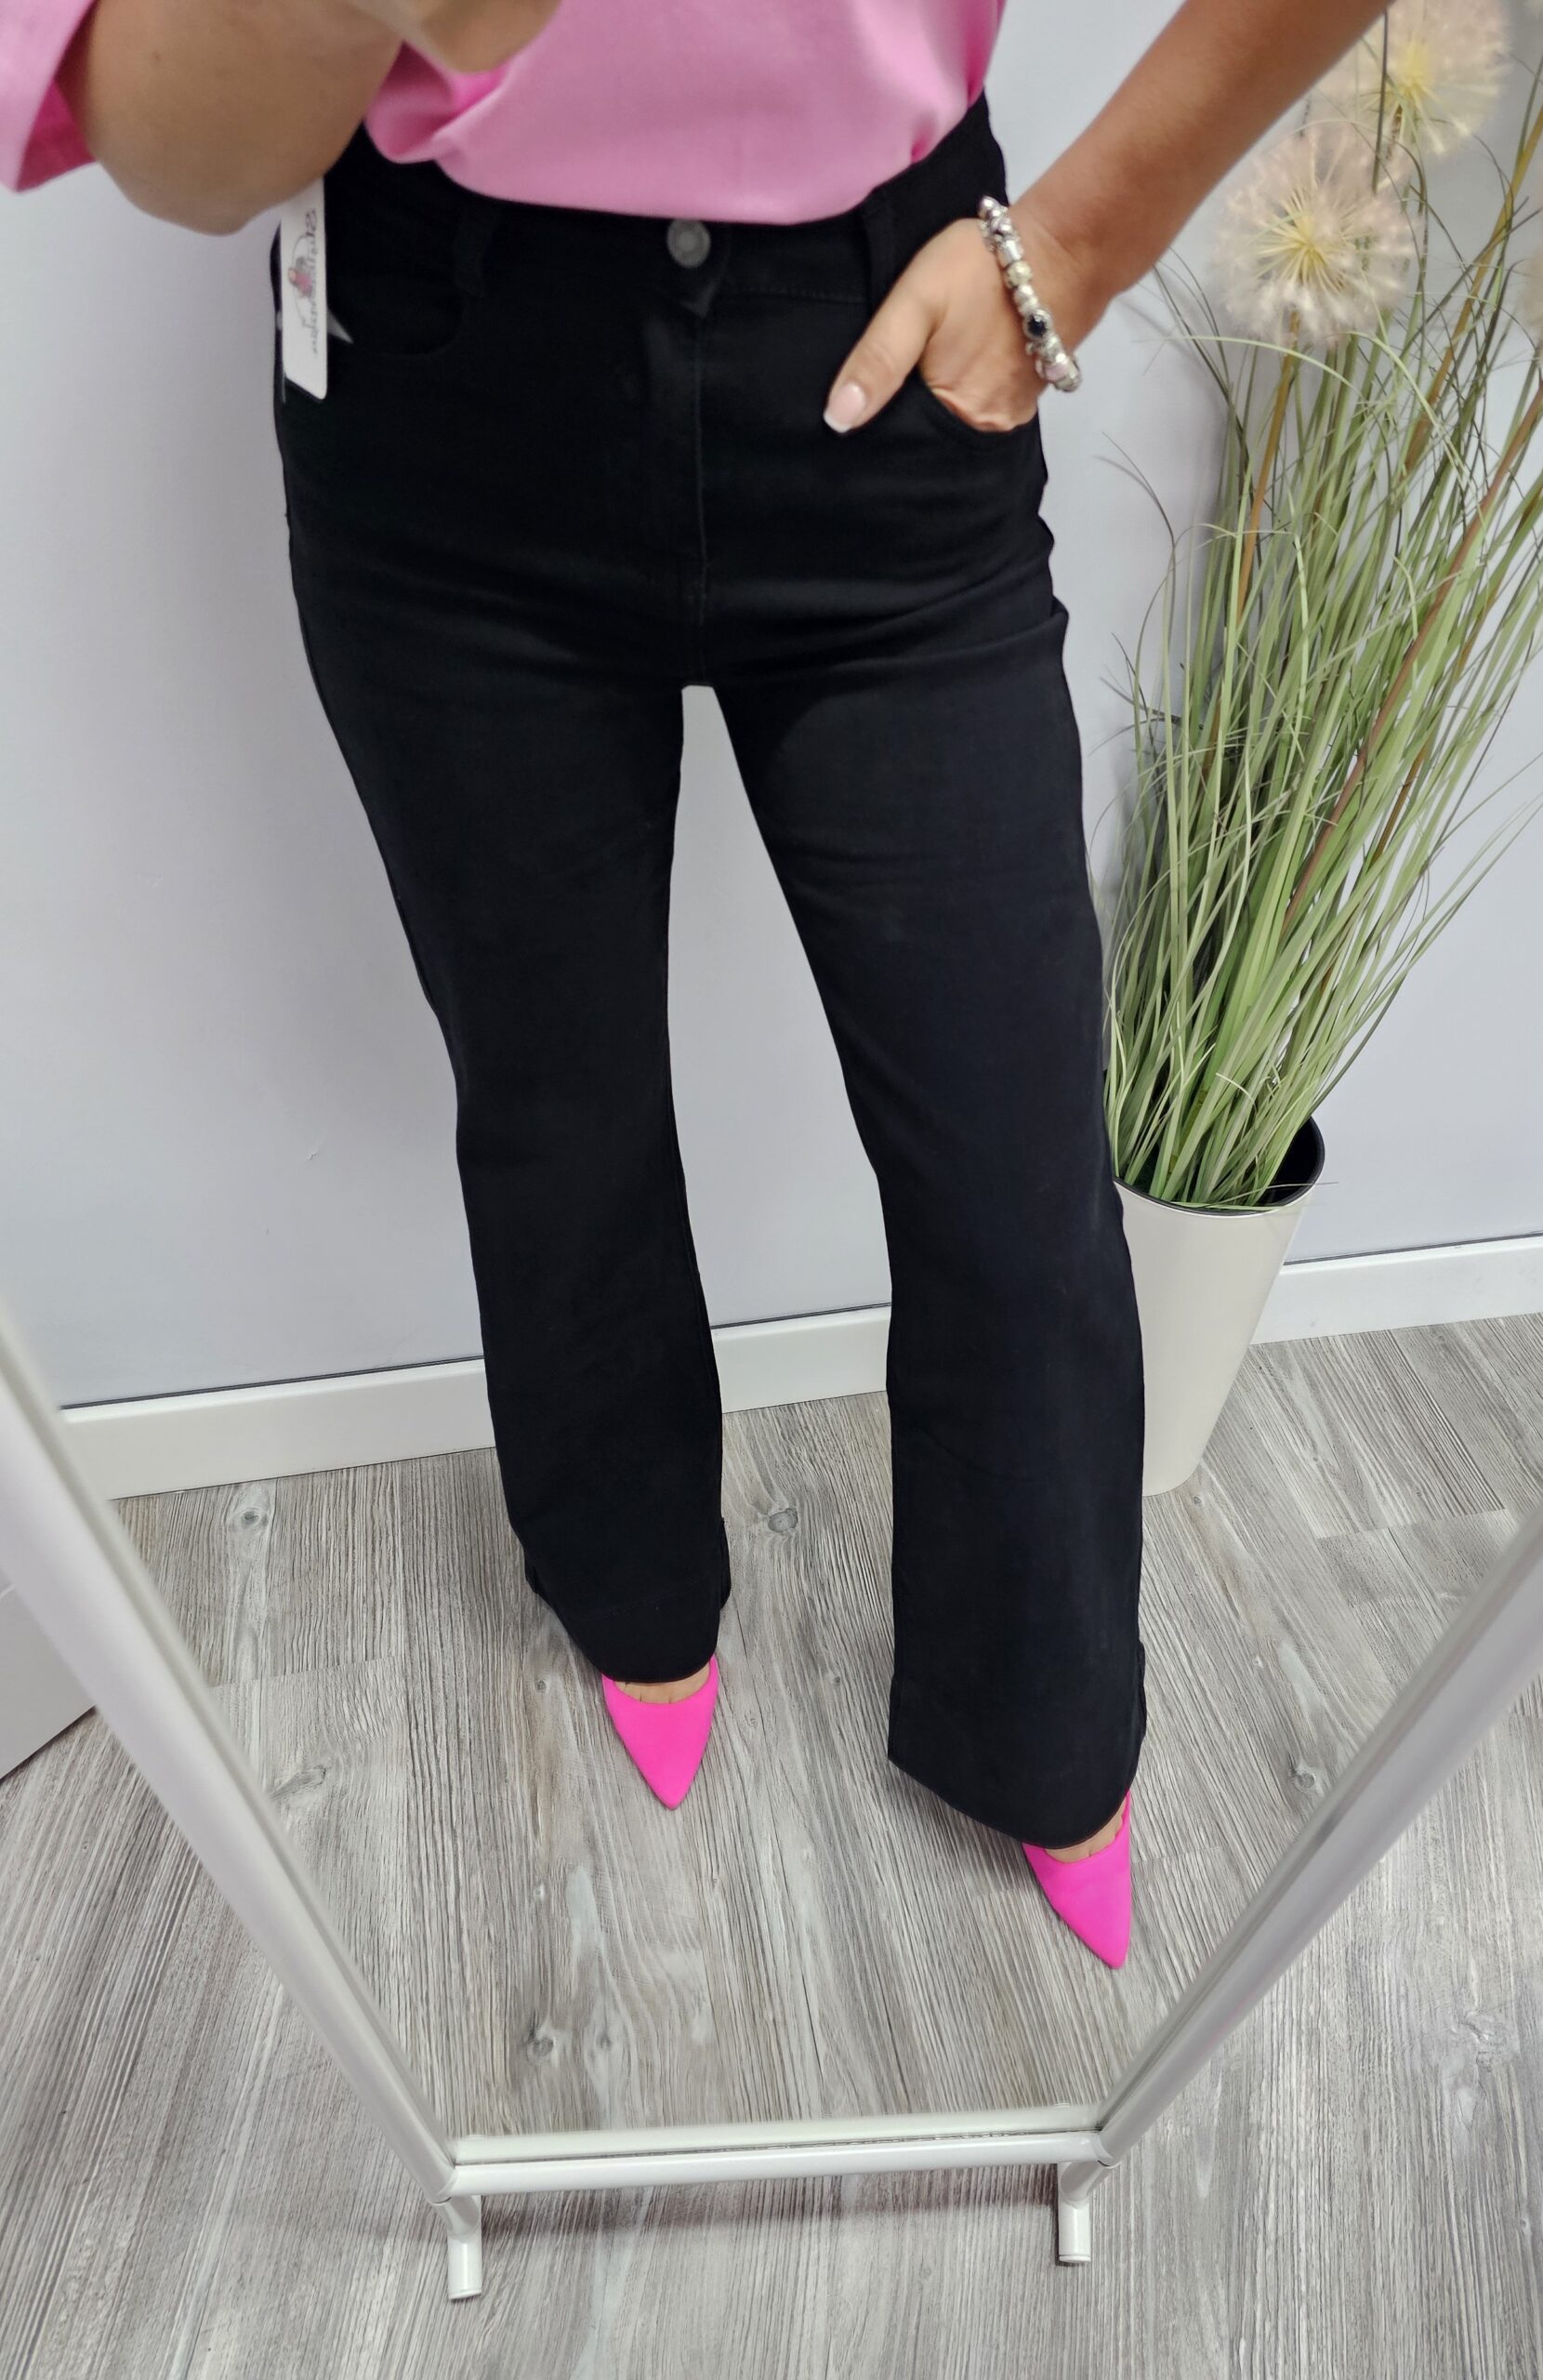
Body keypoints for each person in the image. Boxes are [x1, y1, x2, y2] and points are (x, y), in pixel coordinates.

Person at [4, 0, 1385, 1966]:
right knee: (553, 1099)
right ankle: (630, 1583)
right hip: (439, 378)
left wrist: (1080, 242)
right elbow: (181, 146)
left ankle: (1044, 1715)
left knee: (1012, 1174)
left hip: (885, 326)